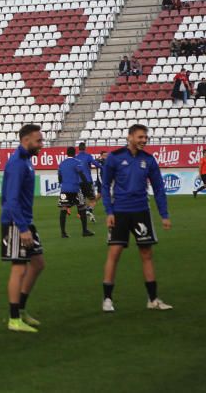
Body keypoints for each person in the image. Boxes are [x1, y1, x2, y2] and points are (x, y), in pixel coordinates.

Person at [101, 124, 172, 313]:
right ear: (130, 137)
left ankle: (152, 299)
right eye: (140, 137)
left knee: (147, 254)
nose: (144, 140)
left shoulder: (148, 160)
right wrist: (109, 211)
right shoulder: (115, 157)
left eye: (145, 137)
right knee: (114, 253)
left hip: (141, 211)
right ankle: (107, 299)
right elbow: (105, 185)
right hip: (120, 212)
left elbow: (158, 188)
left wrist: (164, 214)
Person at [0, 124, 46, 333]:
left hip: (25, 221)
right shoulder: (17, 163)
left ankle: (21, 309)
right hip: (16, 222)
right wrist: (22, 227)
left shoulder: (26, 161)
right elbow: (11, 200)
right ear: (26, 140)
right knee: (19, 268)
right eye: (38, 140)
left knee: (37, 264)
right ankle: (13, 318)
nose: (41, 144)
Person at [57, 146, 91, 238]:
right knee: (82, 208)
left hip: (64, 190)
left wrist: (63, 183)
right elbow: (81, 174)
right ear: (74, 153)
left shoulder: (62, 163)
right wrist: (87, 186)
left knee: (63, 209)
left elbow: (59, 178)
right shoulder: (77, 162)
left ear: (66, 153)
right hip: (76, 189)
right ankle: (84, 231)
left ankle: (63, 233)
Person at [75, 143, 98, 225]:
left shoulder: (76, 158)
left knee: (82, 199)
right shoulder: (88, 156)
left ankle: (83, 214)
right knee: (93, 199)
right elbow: (95, 164)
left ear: (78, 149)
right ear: (85, 148)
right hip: (88, 181)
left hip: (79, 182)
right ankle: (89, 210)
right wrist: (102, 166)